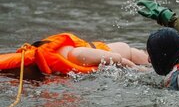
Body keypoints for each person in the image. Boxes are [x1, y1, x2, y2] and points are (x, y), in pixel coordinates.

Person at [0, 32, 150, 76]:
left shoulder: (76, 55)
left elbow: (117, 59)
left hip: (127, 54)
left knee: (153, 64)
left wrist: (141, 71)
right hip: (113, 55)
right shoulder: (51, 63)